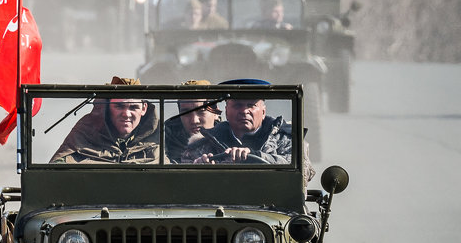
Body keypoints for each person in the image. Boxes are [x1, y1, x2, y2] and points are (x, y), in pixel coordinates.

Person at [181, 81, 315, 183]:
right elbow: (183, 186)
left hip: (275, 208)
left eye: (251, 105)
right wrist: (198, 170)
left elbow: (304, 173)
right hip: (218, 211)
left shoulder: (286, 140)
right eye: (237, 105)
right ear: (226, 111)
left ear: (263, 112)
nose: (244, 111)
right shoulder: (203, 144)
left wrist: (257, 156)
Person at [50, 77, 160, 164]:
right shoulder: (86, 133)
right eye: (119, 106)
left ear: (144, 108)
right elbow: (55, 171)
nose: (126, 114)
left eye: (133, 107)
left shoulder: (157, 138)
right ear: (106, 107)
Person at [164, 80, 221, 163]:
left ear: (215, 113)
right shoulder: (163, 140)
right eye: (186, 113)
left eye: (201, 111)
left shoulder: (230, 137)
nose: (194, 120)